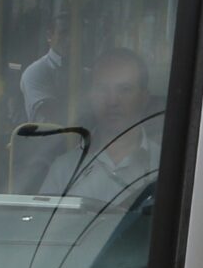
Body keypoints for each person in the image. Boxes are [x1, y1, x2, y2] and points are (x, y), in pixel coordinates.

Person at [58, 46, 163, 205]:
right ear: (90, 96)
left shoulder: (165, 166)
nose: (112, 101)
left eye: (125, 89)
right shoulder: (63, 170)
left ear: (144, 98)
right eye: (102, 89)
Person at [20, 8, 71, 124]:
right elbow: (51, 115)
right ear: (50, 36)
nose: (70, 40)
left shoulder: (85, 73)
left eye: (76, 34)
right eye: (63, 33)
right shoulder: (36, 71)